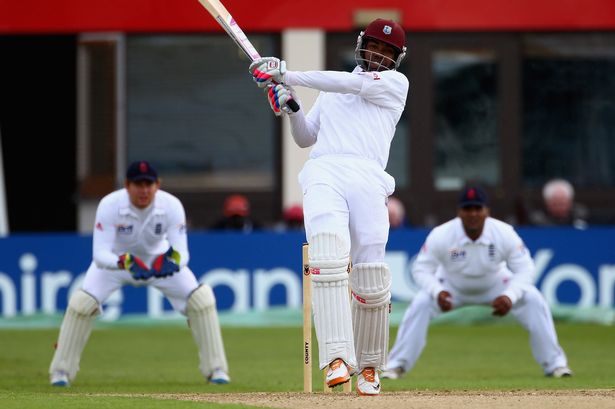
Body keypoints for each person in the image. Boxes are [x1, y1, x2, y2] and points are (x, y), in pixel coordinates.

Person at [249, 18, 409, 396]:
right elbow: (306, 137)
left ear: (397, 59)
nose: (379, 55)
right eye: (374, 46)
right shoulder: (331, 89)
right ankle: (338, 358)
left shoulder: (394, 85)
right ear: (361, 44)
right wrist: (291, 107)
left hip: (369, 177)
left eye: (387, 52)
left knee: (370, 275)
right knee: (326, 255)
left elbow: (349, 82)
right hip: (324, 171)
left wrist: (286, 72)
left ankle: (370, 367)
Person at [49, 161, 230, 386]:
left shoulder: (171, 205)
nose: (144, 190)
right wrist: (123, 262)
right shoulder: (110, 204)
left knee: (201, 300)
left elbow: (182, 254)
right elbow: (100, 255)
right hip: (118, 262)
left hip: (158, 262)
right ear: (127, 185)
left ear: (157, 185)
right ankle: (61, 372)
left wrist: (171, 263)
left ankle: (216, 370)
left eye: (148, 184)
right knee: (82, 303)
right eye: (138, 184)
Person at [381, 186, 572, 380]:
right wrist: (437, 291)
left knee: (533, 299)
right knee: (421, 303)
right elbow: (421, 269)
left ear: (486, 211)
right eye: (467, 209)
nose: (473, 214)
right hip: (451, 287)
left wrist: (510, 296)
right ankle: (396, 366)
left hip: (495, 285)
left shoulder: (503, 232)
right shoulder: (443, 234)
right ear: (459, 212)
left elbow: (526, 269)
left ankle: (556, 365)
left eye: (478, 209)